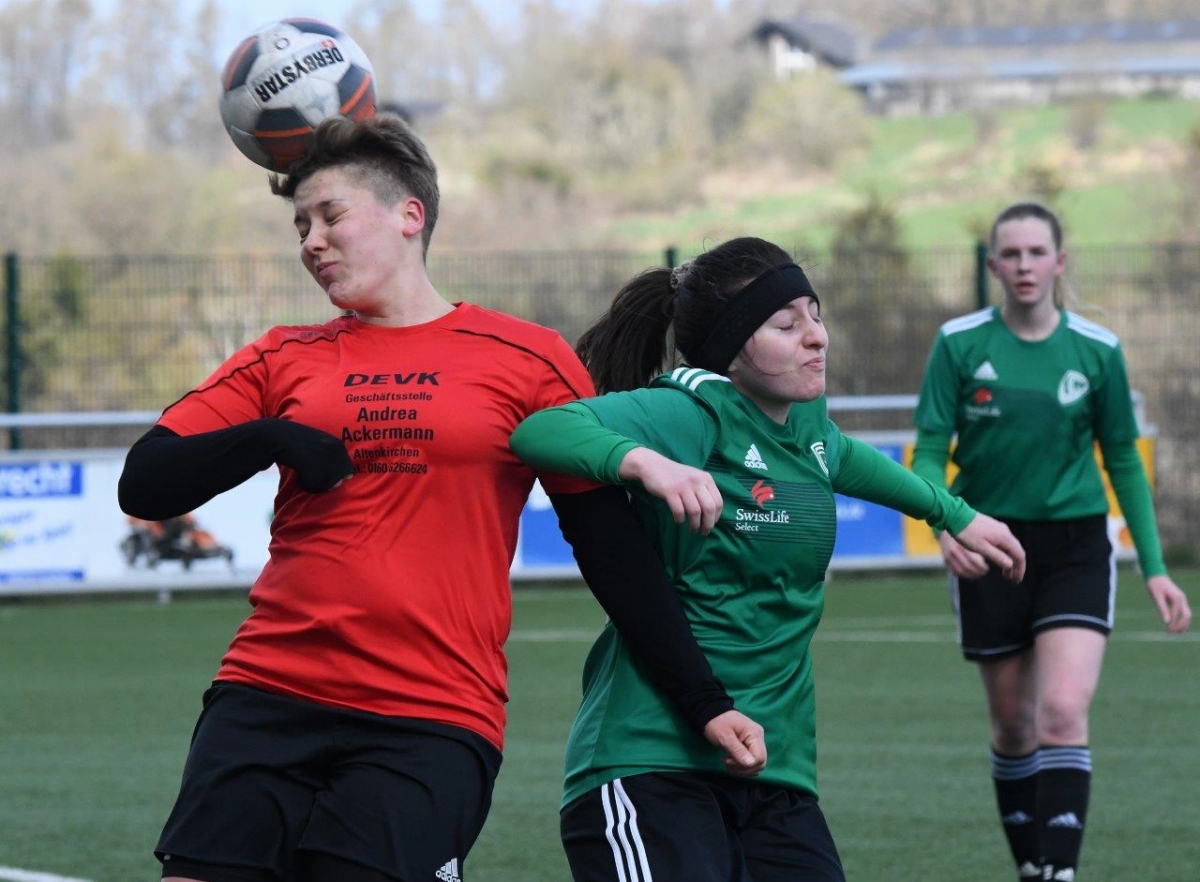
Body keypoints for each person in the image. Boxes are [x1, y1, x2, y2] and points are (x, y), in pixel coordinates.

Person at [117, 113, 764, 882]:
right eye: (299, 226)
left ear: (408, 216)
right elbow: (146, 479)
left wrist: (704, 700)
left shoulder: (527, 359)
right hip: (266, 693)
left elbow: (610, 548)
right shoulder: (282, 356)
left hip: (430, 714)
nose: (310, 242)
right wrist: (267, 439)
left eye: (330, 216)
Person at [508, 236, 1028, 882]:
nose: (816, 337)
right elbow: (539, 431)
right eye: (786, 324)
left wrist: (954, 515)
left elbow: (853, 461)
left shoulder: (806, 427)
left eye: (815, 314)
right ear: (731, 350)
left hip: (774, 768)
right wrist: (643, 462)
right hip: (651, 763)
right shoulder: (690, 412)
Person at [911, 202, 1192, 881]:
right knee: (1013, 726)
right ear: (992, 266)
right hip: (990, 546)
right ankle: (1032, 867)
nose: (1025, 266)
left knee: (1063, 710)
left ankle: (1059, 873)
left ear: (1060, 262)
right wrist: (945, 520)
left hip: (1075, 546)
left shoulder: (1097, 351)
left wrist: (1153, 567)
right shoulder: (958, 343)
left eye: (1038, 253)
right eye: (1011, 254)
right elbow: (926, 451)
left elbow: (1122, 459)